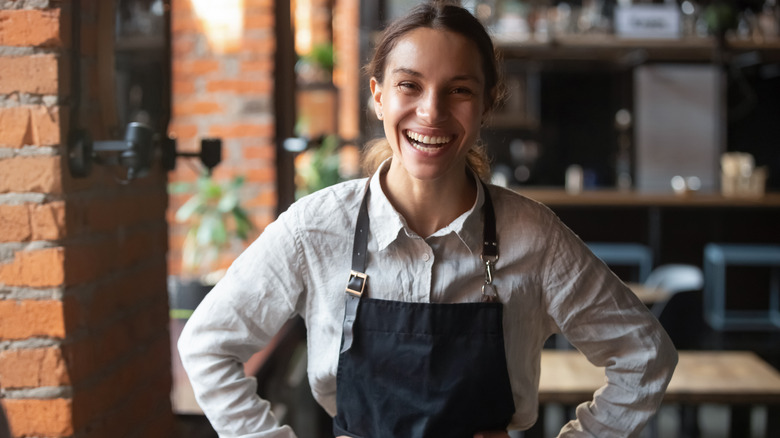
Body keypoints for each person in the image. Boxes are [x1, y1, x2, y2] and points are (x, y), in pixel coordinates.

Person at [178, 2, 678, 437]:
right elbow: (207, 346)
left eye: (458, 90)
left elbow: (644, 356)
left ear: (486, 105)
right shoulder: (316, 228)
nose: (431, 112)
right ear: (378, 97)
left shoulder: (534, 236)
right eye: (409, 86)